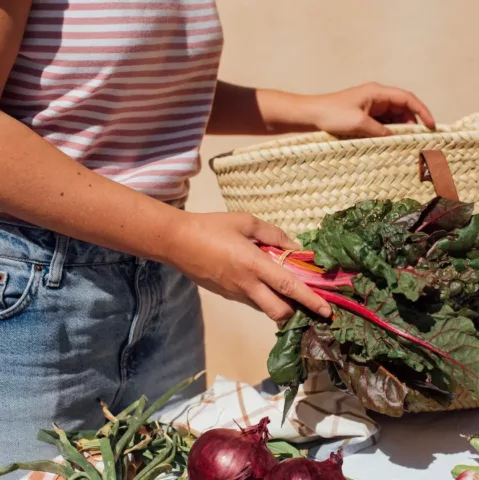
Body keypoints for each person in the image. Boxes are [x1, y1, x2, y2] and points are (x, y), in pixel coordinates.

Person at [0, 0, 434, 472]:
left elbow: (133, 93)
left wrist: (312, 110)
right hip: (37, 302)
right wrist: (177, 237)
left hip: (164, 287)